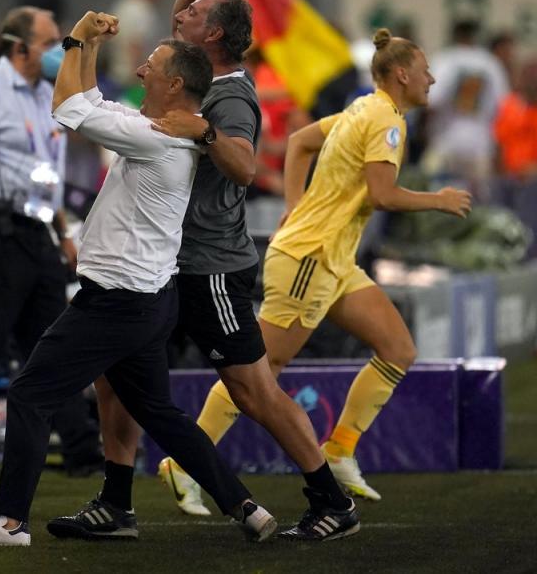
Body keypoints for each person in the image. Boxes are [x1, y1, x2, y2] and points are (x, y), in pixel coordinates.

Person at [48, 0, 357, 543]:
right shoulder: (199, 68)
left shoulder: (231, 96)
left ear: (212, 35)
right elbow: (182, 26)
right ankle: (116, 503)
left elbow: (244, 166)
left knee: (252, 389)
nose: (178, 17)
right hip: (162, 264)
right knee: (114, 377)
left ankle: (330, 498)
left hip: (208, 268)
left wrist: (207, 130)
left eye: (191, 15)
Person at [0, 10, 275, 547]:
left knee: (30, 393)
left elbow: (67, 108)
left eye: (152, 66)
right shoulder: (162, 131)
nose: (142, 71)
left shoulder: (154, 137)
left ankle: (8, 522)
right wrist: (91, 49)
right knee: (159, 412)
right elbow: (93, 103)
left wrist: (78, 35)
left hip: (116, 302)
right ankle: (244, 506)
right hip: (150, 300)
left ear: (175, 85)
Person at [170, 29, 470, 507]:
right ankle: (183, 463)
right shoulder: (385, 122)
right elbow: (382, 194)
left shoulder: (362, 108)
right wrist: (440, 199)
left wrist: (296, 203)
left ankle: (340, 448)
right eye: (426, 70)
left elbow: (299, 141)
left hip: (333, 260)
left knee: (397, 349)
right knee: (259, 370)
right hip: (310, 259)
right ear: (402, 74)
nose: (433, 79)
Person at [0, 6, 102, 476]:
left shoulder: (46, 94)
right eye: (51, 41)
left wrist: (62, 233)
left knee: (55, 346)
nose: (59, 50)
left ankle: (80, 451)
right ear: (19, 47)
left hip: (38, 233)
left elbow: (43, 172)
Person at [422, 20, 508, 195]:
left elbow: (432, 102)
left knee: (432, 197)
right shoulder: (490, 63)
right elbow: (503, 104)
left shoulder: (445, 59)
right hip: (480, 143)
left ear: (454, 35)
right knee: (479, 204)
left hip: (446, 142)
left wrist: (424, 131)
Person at [106, 0, 167, 90]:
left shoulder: (124, 2)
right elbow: (135, 45)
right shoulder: (140, 9)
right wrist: (138, 79)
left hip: (117, 74)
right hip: (131, 78)